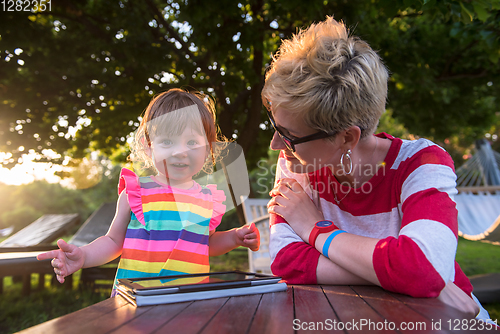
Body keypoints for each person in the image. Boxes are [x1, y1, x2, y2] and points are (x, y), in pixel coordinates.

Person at [263, 16, 494, 323]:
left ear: (347, 137)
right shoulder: (297, 163)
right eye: (275, 126)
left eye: (289, 135)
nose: (276, 144)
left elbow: (421, 269)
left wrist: (314, 229)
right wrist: (414, 280)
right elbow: (286, 262)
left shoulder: (421, 163)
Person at [38, 88, 260, 294]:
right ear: (148, 145)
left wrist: (234, 238)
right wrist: (84, 256)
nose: (180, 152)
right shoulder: (136, 192)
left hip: (189, 299)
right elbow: (113, 241)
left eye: (192, 142)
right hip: (137, 299)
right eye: (167, 142)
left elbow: (206, 244)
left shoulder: (207, 200)